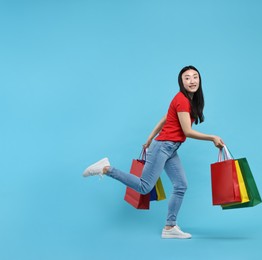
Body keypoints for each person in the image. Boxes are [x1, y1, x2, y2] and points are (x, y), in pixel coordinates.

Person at [83, 65, 224, 239]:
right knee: (144, 187)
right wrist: (212, 138)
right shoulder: (182, 99)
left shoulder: (189, 100)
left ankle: (170, 227)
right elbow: (187, 131)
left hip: (170, 148)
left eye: (195, 77)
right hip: (163, 147)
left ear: (200, 79)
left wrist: (150, 137)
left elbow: (166, 118)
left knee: (181, 185)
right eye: (187, 78)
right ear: (181, 82)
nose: (192, 81)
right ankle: (106, 168)